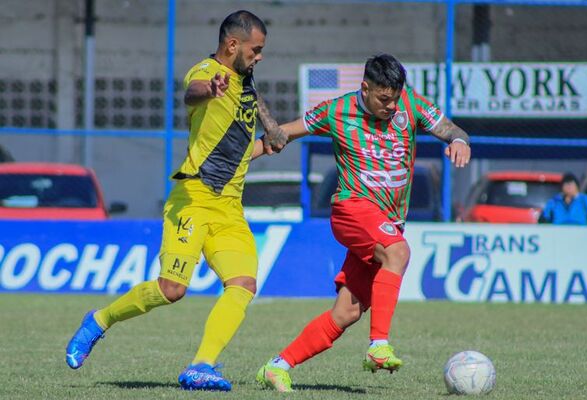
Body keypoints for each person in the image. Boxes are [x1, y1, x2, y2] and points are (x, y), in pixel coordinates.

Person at [65, 10, 286, 392]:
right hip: (193, 200)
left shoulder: (245, 80)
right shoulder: (206, 73)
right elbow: (192, 92)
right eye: (256, 49)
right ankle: (99, 320)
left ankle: (202, 365)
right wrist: (211, 89)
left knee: (243, 283)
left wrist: (269, 137)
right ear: (232, 45)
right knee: (172, 290)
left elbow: (235, 137)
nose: (259, 56)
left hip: (230, 209)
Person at [254, 54, 471, 392]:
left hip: (386, 223)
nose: (391, 105)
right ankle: (378, 345)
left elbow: (452, 129)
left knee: (346, 313)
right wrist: (248, 154)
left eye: (395, 98)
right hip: (352, 209)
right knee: (397, 253)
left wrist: (459, 141)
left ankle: (277, 366)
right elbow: (284, 134)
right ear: (365, 88)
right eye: (384, 98)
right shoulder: (335, 111)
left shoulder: (410, 105)